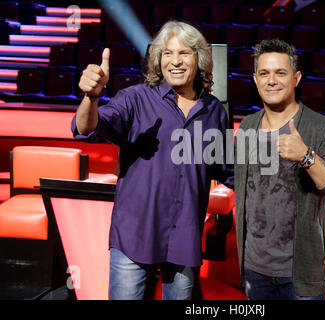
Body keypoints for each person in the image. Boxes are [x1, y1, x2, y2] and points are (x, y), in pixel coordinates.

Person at [72, 21, 233, 300]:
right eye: (167, 54)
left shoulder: (214, 111)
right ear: (158, 60)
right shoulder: (135, 99)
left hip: (184, 236)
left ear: (200, 59)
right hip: (134, 234)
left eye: (184, 53)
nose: (175, 61)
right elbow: (86, 128)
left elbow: (228, 169)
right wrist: (91, 97)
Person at [234, 39, 325, 300]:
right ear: (255, 80)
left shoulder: (320, 127)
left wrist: (306, 156)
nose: (272, 81)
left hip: (301, 273)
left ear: (296, 78)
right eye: (264, 73)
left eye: (281, 73)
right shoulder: (246, 127)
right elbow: (241, 184)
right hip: (255, 270)